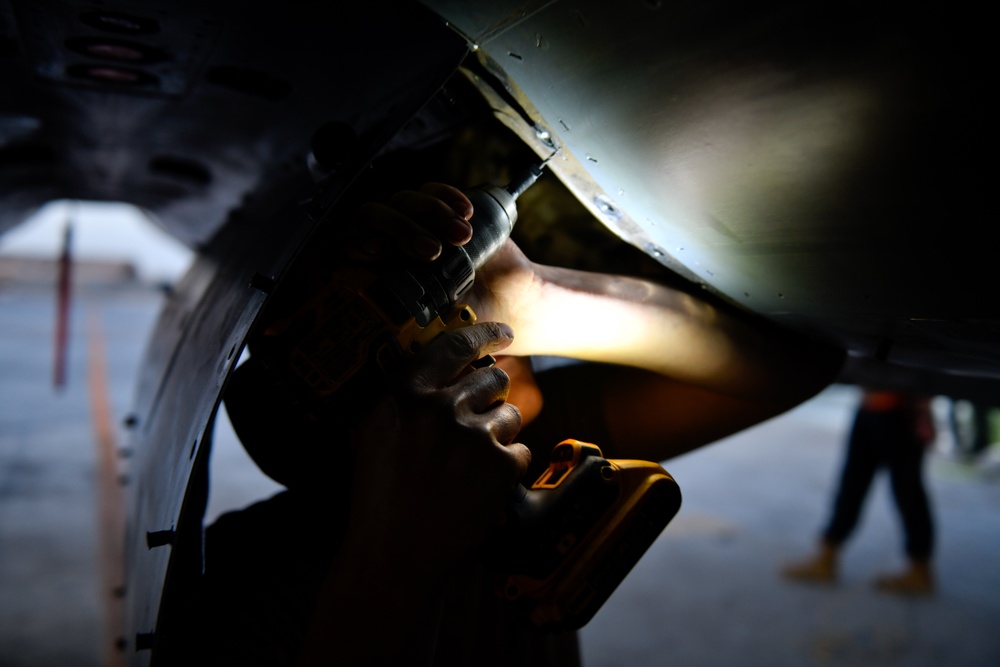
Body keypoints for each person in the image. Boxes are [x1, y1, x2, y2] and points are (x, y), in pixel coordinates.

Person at [203, 182, 844, 665]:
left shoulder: (524, 452)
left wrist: (539, 300)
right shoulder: (242, 582)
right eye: (401, 328)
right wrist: (399, 553)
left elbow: (796, 368)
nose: (447, 306)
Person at [781, 389, 937, 594]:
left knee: (907, 493)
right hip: (869, 406)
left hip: (900, 412)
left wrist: (923, 410)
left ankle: (920, 570)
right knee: (851, 485)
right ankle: (826, 557)